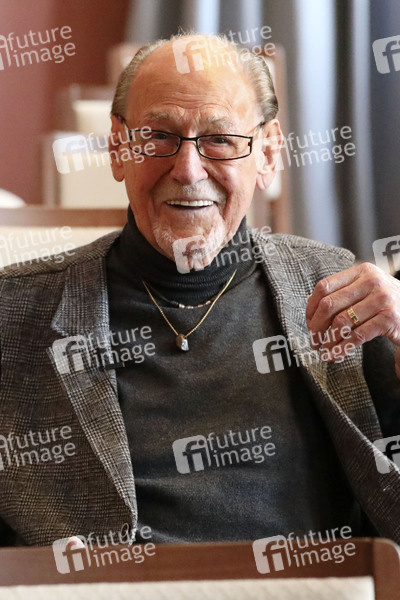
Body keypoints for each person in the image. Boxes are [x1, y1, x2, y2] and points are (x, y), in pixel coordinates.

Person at [0, 33, 400, 548]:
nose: (187, 170)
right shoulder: (15, 313)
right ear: (118, 148)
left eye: (219, 139)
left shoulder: (342, 293)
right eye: (158, 135)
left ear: (269, 152)